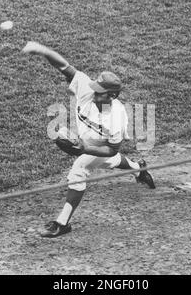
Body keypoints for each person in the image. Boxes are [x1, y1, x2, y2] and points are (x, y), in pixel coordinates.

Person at [22, 42, 155, 238]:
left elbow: (111, 149)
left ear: (112, 95)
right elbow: (64, 66)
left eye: (99, 91)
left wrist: (84, 148)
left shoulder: (117, 116)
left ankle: (62, 223)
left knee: (79, 170)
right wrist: (42, 50)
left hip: (100, 146)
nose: (94, 93)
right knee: (108, 162)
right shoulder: (87, 89)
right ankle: (139, 170)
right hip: (90, 142)